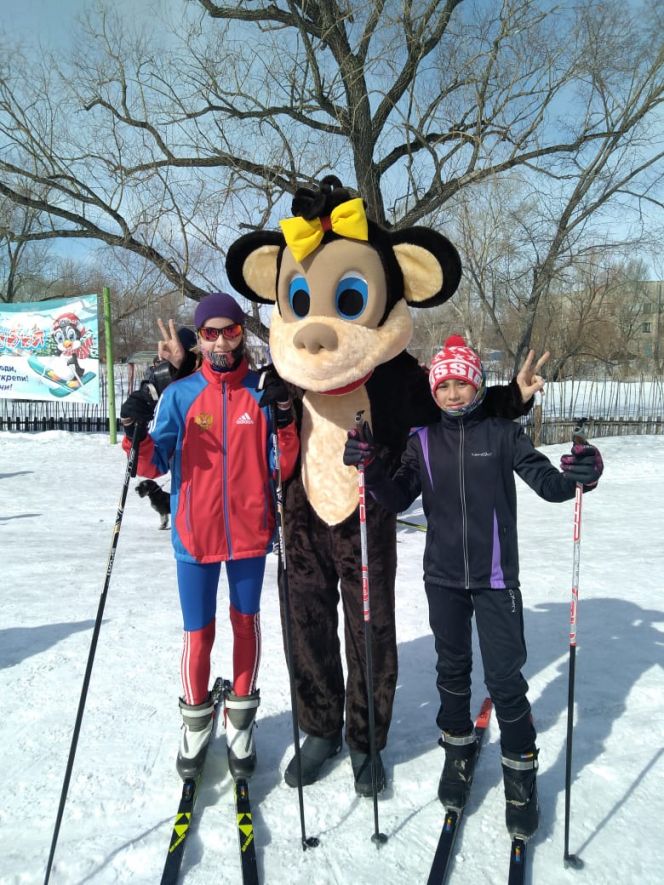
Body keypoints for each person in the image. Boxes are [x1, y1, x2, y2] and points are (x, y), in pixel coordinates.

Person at [343, 335, 603, 838]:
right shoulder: (422, 440)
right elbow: (395, 498)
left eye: (463, 382)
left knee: (506, 681)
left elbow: (550, 485)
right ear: (434, 389)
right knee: (452, 674)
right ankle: (457, 755)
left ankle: (521, 773)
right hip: (442, 579)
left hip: (496, 580)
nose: (454, 393)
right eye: (445, 384)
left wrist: (582, 474)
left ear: (478, 385)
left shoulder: (503, 432)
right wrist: (370, 466)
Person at [120, 292, 299, 781]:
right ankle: (196, 722)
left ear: (242, 333)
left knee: (246, 625)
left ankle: (240, 720)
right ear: (198, 340)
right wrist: (134, 436)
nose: (221, 341)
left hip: (247, 535)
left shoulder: (259, 393)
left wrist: (283, 420)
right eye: (210, 332)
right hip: (194, 537)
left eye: (230, 330)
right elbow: (153, 462)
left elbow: (281, 464)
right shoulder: (181, 395)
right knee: (199, 635)